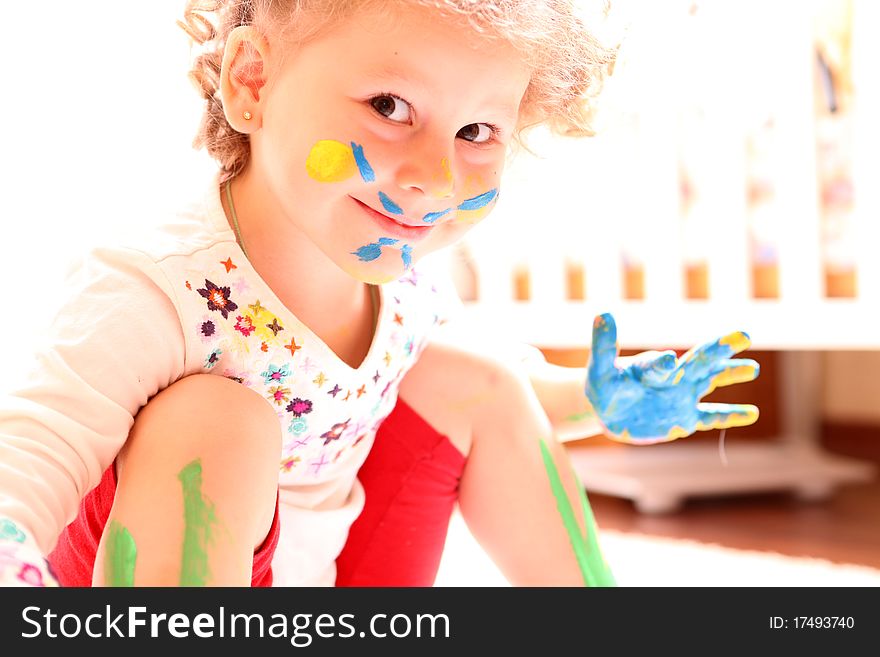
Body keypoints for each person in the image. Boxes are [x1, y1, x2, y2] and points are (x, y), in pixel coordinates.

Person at [0, 0, 758, 588]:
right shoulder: (154, 286)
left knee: (476, 376)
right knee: (220, 417)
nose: (435, 177)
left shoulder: (403, 281)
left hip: (326, 573)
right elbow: (28, 458)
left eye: (477, 133)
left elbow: (511, 395)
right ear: (251, 83)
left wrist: (595, 397)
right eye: (390, 107)